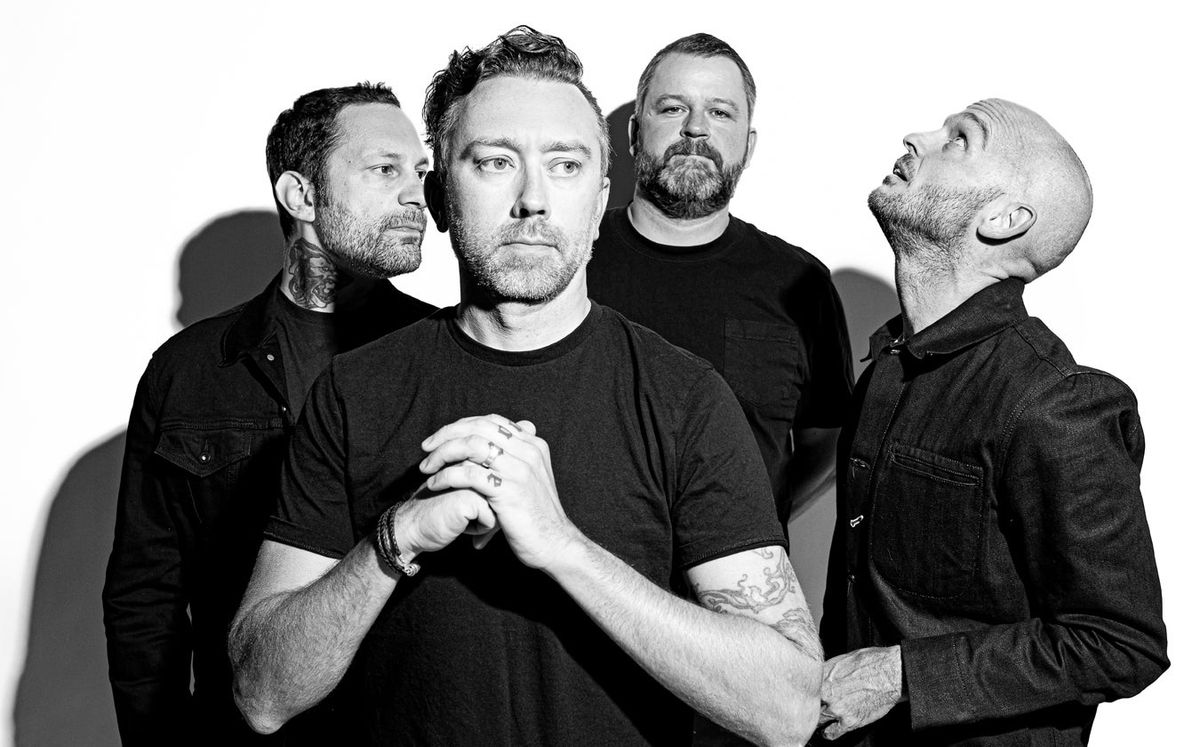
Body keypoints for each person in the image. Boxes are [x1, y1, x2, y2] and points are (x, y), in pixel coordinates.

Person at [228, 27, 822, 746]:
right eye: (495, 162)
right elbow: (261, 695)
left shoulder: (685, 399)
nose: (532, 199)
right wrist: (394, 537)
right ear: (440, 197)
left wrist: (563, 546)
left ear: (600, 199)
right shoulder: (355, 391)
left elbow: (789, 711)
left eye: (566, 165)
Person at [818, 98, 1168, 745]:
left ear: (1004, 219)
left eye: (960, 139)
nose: (917, 136)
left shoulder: (1057, 403)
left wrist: (899, 675)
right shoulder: (885, 368)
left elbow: (1120, 641)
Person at [101, 83, 436, 746]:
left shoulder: (441, 353)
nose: (415, 196)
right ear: (300, 195)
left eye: (420, 172)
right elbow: (146, 601)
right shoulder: (189, 372)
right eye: (385, 169)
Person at [588, 33, 854, 530]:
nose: (695, 128)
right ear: (633, 134)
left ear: (748, 146)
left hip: (740, 578)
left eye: (720, 112)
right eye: (673, 108)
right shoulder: (569, 262)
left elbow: (829, 438)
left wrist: (752, 524)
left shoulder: (800, 284)